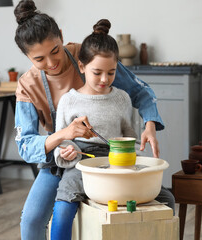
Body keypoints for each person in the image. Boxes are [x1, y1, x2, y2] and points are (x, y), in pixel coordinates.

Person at [13, 1, 175, 240]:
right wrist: (64, 135)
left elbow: (140, 92)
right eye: (39, 59)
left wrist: (149, 125)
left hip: (107, 155)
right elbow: (25, 145)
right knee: (32, 220)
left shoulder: (88, 54)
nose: (51, 63)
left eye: (55, 51)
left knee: (162, 199)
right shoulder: (27, 85)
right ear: (27, 56)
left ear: (61, 36)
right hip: (61, 159)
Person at [51, 19, 140, 239]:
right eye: (97, 72)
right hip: (80, 165)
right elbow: (61, 141)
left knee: (165, 198)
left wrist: (131, 159)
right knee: (63, 205)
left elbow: (133, 140)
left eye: (111, 72)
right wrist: (66, 152)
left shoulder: (122, 99)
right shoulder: (68, 101)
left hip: (116, 163)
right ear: (81, 66)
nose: (104, 79)